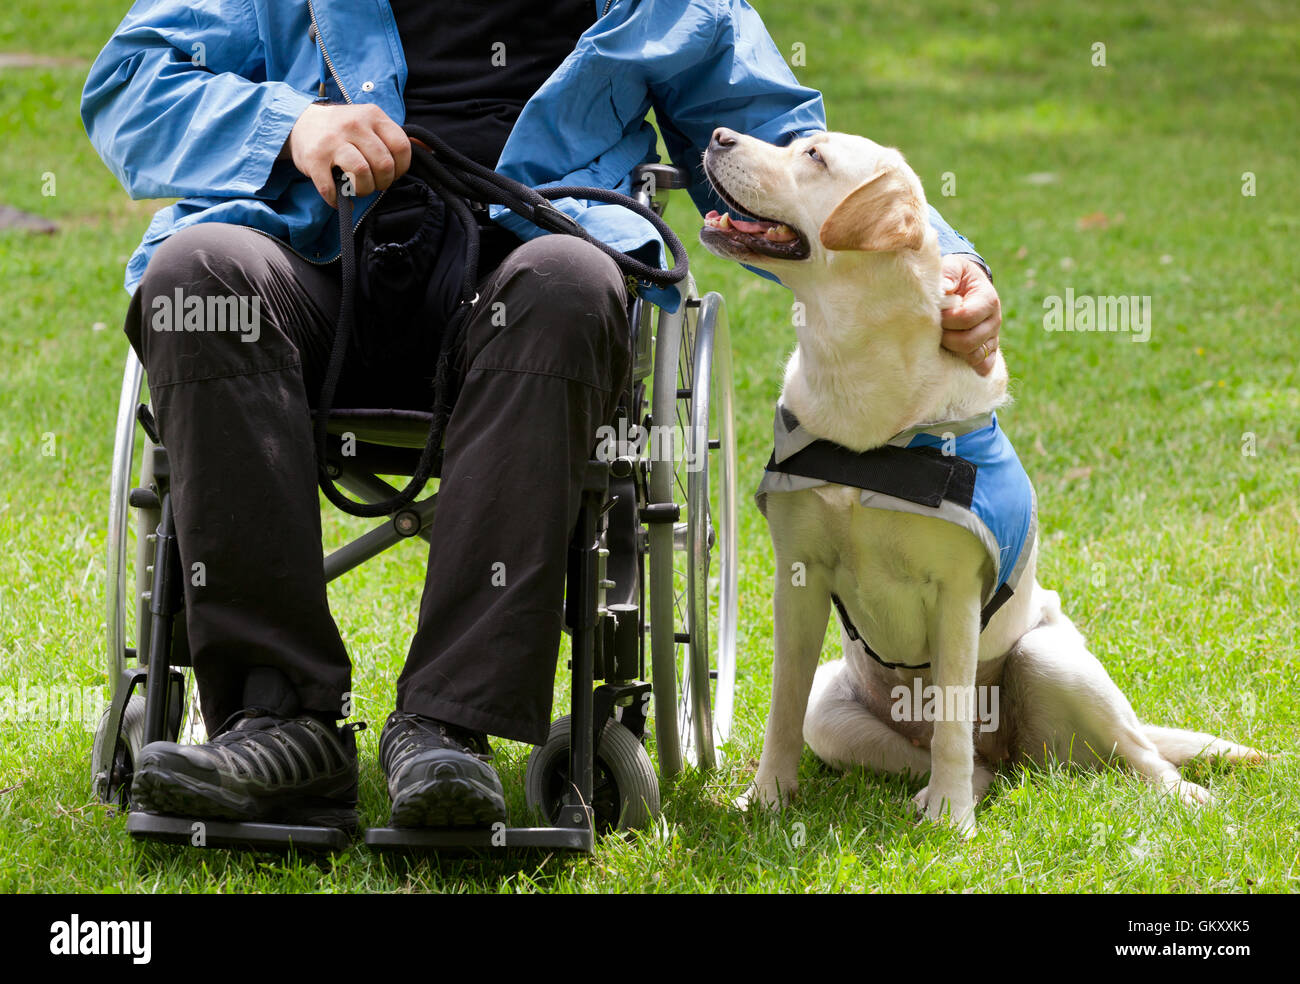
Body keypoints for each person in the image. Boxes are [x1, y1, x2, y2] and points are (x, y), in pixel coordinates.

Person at [81, 0, 1003, 833]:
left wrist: (948, 269)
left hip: (528, 281)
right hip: (322, 265)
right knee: (192, 278)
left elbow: (786, 145)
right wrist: (292, 125)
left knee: (571, 280)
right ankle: (276, 722)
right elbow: (129, 82)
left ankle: (448, 729)